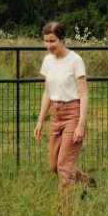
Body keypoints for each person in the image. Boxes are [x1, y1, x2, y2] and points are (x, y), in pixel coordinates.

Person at [33, 22, 95, 192]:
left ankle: (65, 210)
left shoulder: (75, 60)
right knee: (54, 165)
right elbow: (47, 92)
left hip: (73, 114)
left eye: (52, 41)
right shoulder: (47, 61)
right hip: (55, 114)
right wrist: (40, 121)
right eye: (45, 41)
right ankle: (86, 181)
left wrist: (81, 124)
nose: (48, 45)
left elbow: (83, 94)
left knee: (64, 166)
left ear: (62, 39)